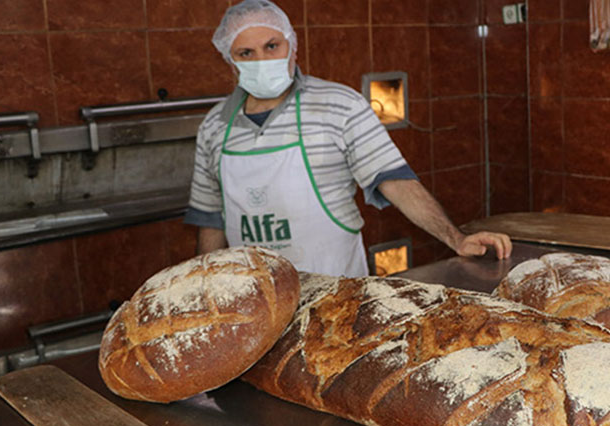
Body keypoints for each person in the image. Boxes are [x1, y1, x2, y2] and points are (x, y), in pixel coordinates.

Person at [184, 0, 511, 277]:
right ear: (231, 62)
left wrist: (456, 239)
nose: (262, 60)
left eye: (272, 46)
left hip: (334, 289)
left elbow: (395, 181)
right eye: (246, 52)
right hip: (256, 298)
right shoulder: (215, 125)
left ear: (292, 47)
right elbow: (211, 220)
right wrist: (202, 284)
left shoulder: (340, 105)